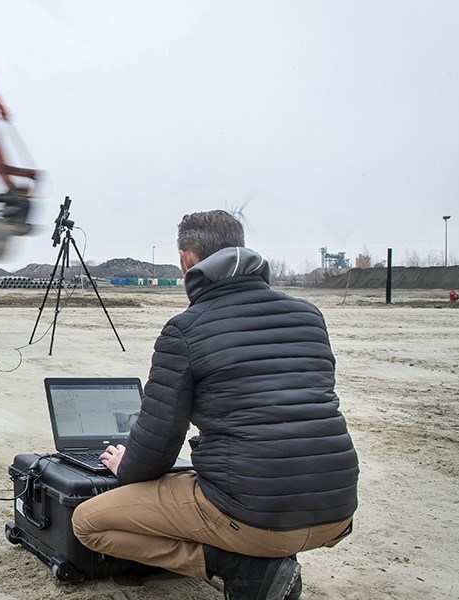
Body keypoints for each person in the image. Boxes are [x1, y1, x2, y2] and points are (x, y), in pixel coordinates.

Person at [71, 210, 358, 600]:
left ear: (187, 259)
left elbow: (157, 446)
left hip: (256, 518)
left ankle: (239, 566)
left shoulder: (186, 329)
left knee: (88, 522)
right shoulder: (309, 316)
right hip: (336, 508)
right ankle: (256, 556)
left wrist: (127, 467)